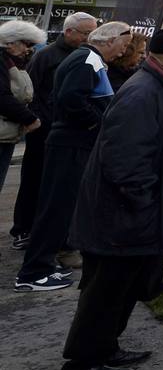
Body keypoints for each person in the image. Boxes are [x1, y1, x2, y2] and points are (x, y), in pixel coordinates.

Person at [58, 27, 163, 370]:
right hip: (121, 217)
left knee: (123, 290)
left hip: (134, 215)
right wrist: (146, 205)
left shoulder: (162, 88)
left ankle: (106, 348)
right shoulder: (143, 93)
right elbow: (125, 162)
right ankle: (82, 364)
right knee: (105, 293)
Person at [16, 21, 132, 291]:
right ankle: (34, 272)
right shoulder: (88, 59)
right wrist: (97, 123)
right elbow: (70, 98)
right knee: (57, 208)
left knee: (60, 207)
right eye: (123, 46)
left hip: (71, 142)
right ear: (109, 40)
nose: (122, 52)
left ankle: (42, 265)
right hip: (71, 143)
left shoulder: (86, 58)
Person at [10, 11, 96, 250]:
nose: (89, 38)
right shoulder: (46, 56)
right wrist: (39, 121)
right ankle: (22, 229)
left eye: (92, 33)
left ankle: (47, 230)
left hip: (67, 131)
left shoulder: (87, 56)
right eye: (86, 33)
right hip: (44, 130)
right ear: (69, 32)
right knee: (33, 179)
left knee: (56, 186)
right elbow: (32, 93)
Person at [0, 21, 47, 196]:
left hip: (7, 133)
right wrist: (30, 118)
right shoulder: (3, 62)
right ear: (11, 42)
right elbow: (3, 97)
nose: (29, 49)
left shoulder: (13, 62)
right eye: (28, 44)